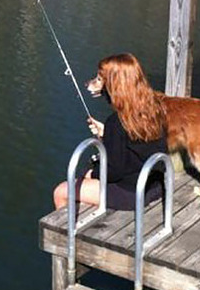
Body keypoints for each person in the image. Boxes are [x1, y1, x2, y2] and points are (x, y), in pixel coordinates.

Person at [53, 53, 168, 211]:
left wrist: (92, 173)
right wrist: (107, 134)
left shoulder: (116, 122)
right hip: (156, 185)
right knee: (84, 178)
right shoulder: (154, 108)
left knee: (61, 191)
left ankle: (67, 234)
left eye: (100, 80)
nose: (97, 83)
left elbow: (114, 172)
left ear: (114, 85)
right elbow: (135, 144)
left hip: (132, 193)